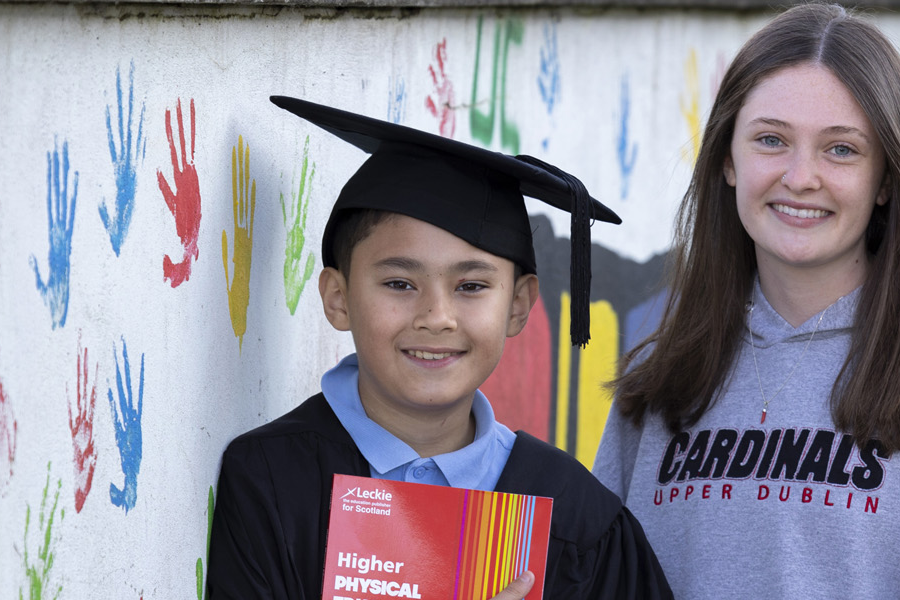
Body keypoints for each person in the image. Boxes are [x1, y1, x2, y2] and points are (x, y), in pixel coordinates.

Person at [592, 4, 900, 598]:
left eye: (841, 150)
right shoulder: (663, 379)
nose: (801, 177)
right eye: (771, 140)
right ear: (727, 159)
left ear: (886, 179)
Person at [206, 96, 674, 600]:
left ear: (518, 306)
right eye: (400, 284)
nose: (436, 317)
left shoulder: (574, 514)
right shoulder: (273, 481)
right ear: (338, 299)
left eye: (471, 286)